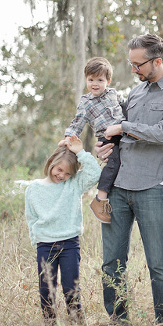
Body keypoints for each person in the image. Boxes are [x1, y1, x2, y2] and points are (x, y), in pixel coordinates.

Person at [97, 34, 163, 324]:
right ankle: (118, 319)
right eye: (131, 63)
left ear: (158, 60)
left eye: (138, 64)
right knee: (112, 262)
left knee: (158, 262)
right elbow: (118, 134)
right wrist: (105, 145)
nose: (134, 69)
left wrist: (123, 126)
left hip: (152, 187)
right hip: (117, 188)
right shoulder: (135, 94)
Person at [24, 136, 101, 323]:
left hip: (69, 243)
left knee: (71, 287)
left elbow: (95, 174)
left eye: (67, 173)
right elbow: (31, 217)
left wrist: (80, 152)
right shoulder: (33, 188)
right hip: (45, 243)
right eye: (59, 170)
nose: (62, 176)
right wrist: (36, 240)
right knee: (46, 287)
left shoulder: (74, 184)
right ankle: (50, 323)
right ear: (51, 163)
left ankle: (76, 321)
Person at [63, 57, 124, 224]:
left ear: (108, 81)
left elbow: (125, 107)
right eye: (91, 80)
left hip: (123, 133)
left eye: (100, 80)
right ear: (86, 80)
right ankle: (100, 199)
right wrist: (68, 138)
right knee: (113, 164)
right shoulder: (86, 102)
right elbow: (78, 122)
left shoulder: (114, 94)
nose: (94, 84)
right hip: (107, 138)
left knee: (123, 162)